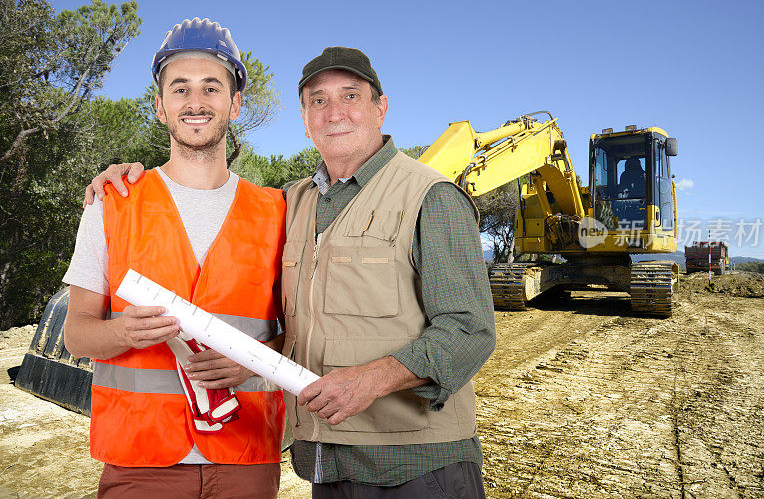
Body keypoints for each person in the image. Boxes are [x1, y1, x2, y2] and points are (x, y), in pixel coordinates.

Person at [86, 46, 495, 499]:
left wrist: (371, 379)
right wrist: (250, 360)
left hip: (418, 467)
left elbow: (471, 331)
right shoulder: (292, 203)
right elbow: (300, 327)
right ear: (304, 119)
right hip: (328, 462)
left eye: (351, 96)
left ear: (381, 107)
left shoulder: (431, 196)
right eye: (318, 100)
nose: (334, 112)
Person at [64, 18, 286, 499]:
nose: (196, 101)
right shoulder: (113, 202)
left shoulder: (278, 212)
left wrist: (254, 362)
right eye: (179, 88)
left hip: (247, 455)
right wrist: (122, 332)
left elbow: (302, 333)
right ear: (160, 106)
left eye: (212, 87)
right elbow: (76, 334)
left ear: (236, 103)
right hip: (140, 459)